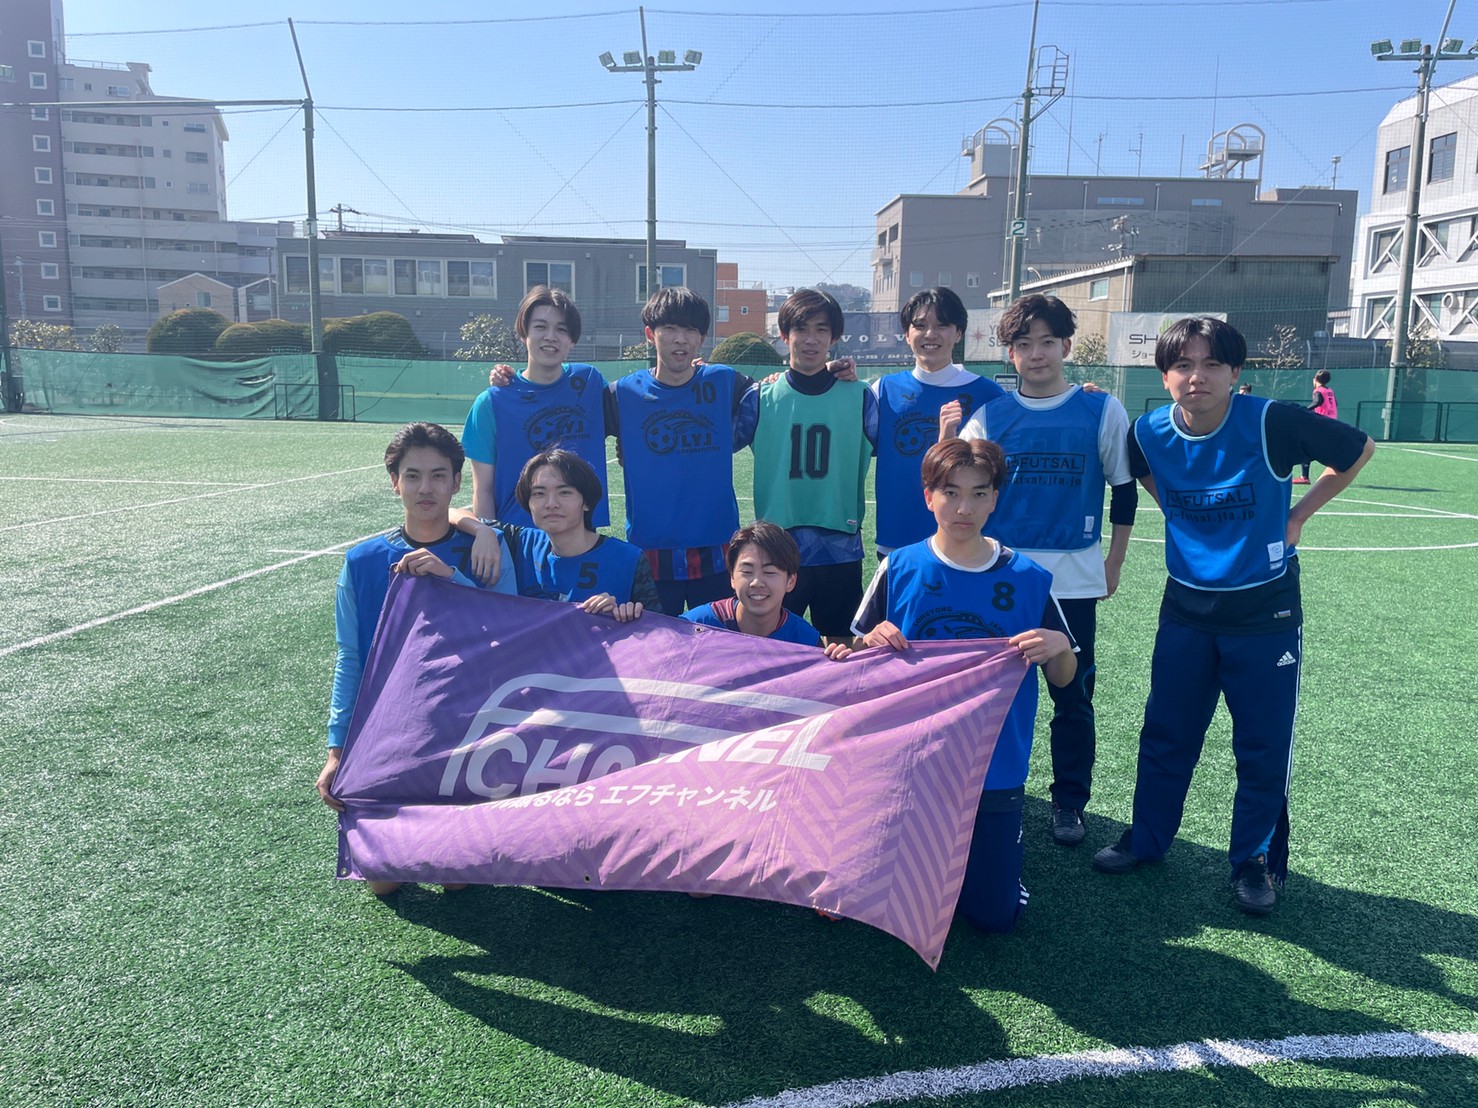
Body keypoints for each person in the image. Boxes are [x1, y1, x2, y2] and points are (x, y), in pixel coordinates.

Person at [1091, 318, 1373, 916]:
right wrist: (1178, 512)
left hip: (1265, 609)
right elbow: (1141, 470)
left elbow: (1358, 450)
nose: (1197, 377)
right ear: (1164, 376)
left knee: (1262, 744)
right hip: (1186, 607)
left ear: (1235, 372)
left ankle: (1253, 861)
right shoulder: (1148, 432)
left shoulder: (1271, 421)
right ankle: (1147, 839)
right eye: (1183, 365)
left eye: (1212, 364)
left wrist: (1297, 516)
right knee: (1166, 731)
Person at [854, 438, 1077, 933]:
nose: (964, 508)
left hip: (993, 762)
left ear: (995, 499)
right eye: (951, 492)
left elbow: (1063, 678)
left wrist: (1061, 647)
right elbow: (858, 662)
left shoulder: (1029, 577)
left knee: (994, 916)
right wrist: (870, 641)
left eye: (978, 494)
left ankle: (999, 873)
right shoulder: (900, 567)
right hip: (912, 759)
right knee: (896, 902)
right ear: (928, 496)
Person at [940, 294, 1137, 848]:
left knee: (1072, 695)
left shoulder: (1102, 409)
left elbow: (1124, 491)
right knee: (987, 695)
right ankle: (981, 792)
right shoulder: (990, 417)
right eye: (1024, 344)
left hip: (1073, 578)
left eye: (1047, 341)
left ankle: (1069, 802)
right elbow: (954, 487)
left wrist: (1114, 562)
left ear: (1066, 346)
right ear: (1011, 352)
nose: (1036, 354)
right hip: (1002, 577)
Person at [315, 422, 518, 895]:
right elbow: (351, 657)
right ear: (394, 482)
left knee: (456, 882)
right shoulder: (362, 561)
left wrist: (453, 579)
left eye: (438, 475)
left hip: (461, 724)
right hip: (387, 727)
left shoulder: (485, 550)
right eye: (412, 476)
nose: (425, 488)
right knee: (383, 884)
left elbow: (508, 637)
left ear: (456, 482)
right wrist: (336, 751)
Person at [741, 288, 876, 646]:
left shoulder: (861, 396)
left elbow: (896, 451)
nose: (811, 339)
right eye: (801, 329)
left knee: (841, 647)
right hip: (777, 545)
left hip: (839, 544)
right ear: (785, 335)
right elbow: (715, 442)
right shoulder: (760, 398)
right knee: (774, 646)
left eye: (821, 329)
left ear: (834, 337)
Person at [611, 286, 757, 614]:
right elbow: (572, 412)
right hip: (652, 554)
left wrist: (832, 373)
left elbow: (776, 394)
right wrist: (508, 380)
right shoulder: (623, 393)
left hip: (718, 551)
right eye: (670, 328)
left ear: (701, 338)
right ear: (650, 334)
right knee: (656, 642)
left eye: (690, 330)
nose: (680, 339)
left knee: (716, 640)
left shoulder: (725, 382)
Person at [461, 285, 614, 525]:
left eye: (561, 329)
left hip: (580, 535)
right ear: (524, 334)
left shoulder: (589, 382)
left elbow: (636, 405)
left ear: (572, 340)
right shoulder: (490, 403)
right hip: (518, 537)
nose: (551, 336)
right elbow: (483, 490)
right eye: (540, 327)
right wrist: (491, 537)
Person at [873, 287, 1004, 554]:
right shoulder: (883, 390)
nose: (930, 334)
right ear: (906, 334)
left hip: (968, 544)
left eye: (942, 325)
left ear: (958, 333)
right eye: (920, 325)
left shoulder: (989, 394)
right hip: (897, 540)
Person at [497, 449, 658, 620]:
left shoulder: (628, 560)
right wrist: (482, 530)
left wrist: (624, 618)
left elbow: (659, 630)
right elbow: (474, 520)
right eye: (539, 494)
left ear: (586, 502)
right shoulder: (520, 543)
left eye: (564, 492)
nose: (551, 504)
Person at [683, 521, 852, 659]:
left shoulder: (805, 640)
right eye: (747, 571)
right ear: (732, 578)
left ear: (791, 581)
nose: (757, 582)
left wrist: (835, 666)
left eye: (770, 572)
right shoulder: (694, 626)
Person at [1297, 370, 1338, 484]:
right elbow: (1335, 403)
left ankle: (1304, 477)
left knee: (1304, 446)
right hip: (1332, 421)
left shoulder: (1318, 391)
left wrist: (1305, 410)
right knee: (1322, 447)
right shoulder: (1329, 391)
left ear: (1315, 380)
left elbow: (1317, 402)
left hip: (1321, 422)